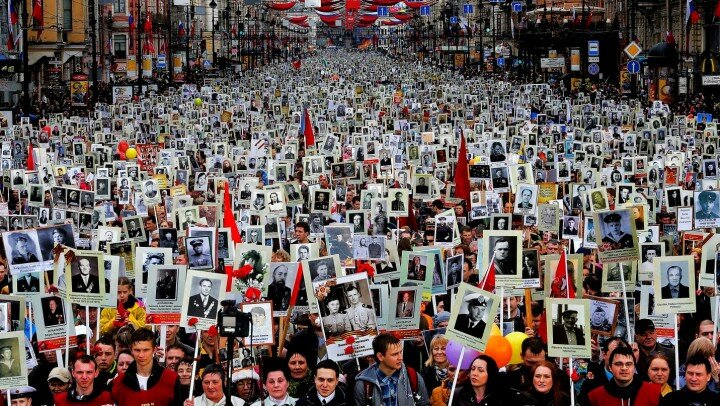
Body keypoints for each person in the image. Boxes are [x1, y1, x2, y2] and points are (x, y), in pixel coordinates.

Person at [112, 328, 183, 406]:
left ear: (154, 349)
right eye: (137, 350)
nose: (141, 355)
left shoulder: (171, 379)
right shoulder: (118, 383)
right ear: (131, 350)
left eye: (146, 350)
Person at [354, 333, 429, 406]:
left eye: (400, 352)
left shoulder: (413, 377)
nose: (400, 357)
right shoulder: (364, 384)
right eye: (395, 354)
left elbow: (424, 403)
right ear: (380, 356)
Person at [587, 347, 662, 406]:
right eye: (619, 364)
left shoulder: (654, 393)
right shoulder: (595, 397)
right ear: (610, 367)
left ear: (634, 367)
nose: (624, 368)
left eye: (628, 364)